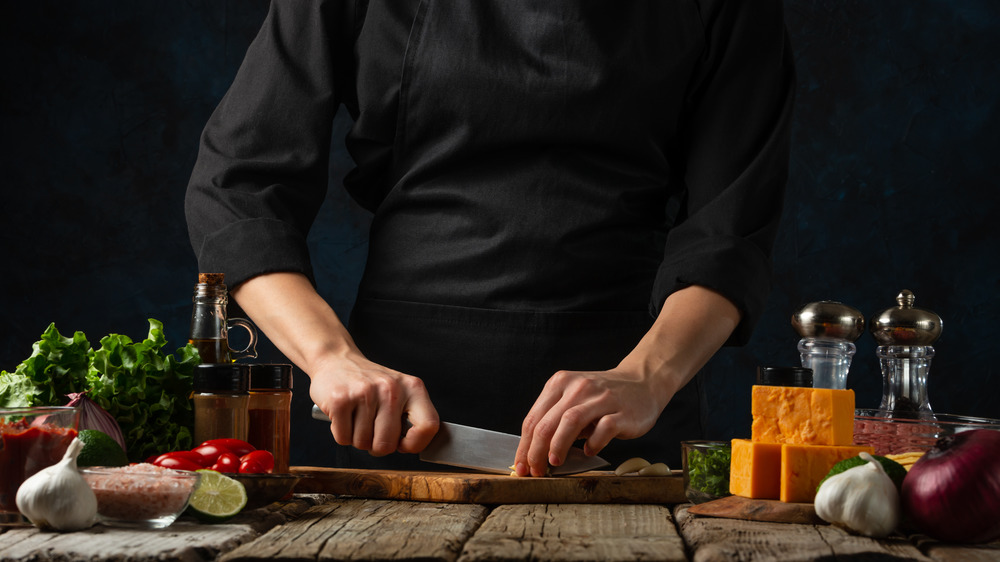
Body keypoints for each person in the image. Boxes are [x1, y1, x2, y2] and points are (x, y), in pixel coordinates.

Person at [185, 0, 795, 476]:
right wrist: (330, 358)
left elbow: (729, 228)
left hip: (621, 419)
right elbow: (238, 186)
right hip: (399, 415)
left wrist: (646, 377)